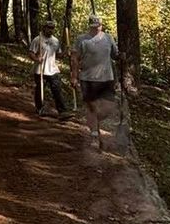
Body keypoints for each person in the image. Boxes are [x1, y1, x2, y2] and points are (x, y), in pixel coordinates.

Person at [71, 15, 120, 148]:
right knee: (91, 107)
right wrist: (74, 76)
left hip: (107, 78)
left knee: (108, 108)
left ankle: (96, 124)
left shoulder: (108, 38)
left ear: (101, 25)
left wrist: (121, 56)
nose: (95, 29)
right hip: (87, 78)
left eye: (98, 26)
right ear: (89, 26)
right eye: (93, 27)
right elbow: (75, 59)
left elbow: (115, 55)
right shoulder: (81, 39)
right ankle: (94, 135)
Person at [29, 18, 70, 118]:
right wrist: (37, 58)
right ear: (44, 28)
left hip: (52, 69)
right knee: (40, 89)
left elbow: (59, 55)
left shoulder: (55, 41)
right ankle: (39, 108)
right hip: (40, 70)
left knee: (57, 89)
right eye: (49, 28)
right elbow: (31, 53)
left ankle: (62, 111)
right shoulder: (37, 39)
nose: (50, 30)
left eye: (52, 28)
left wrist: (66, 52)